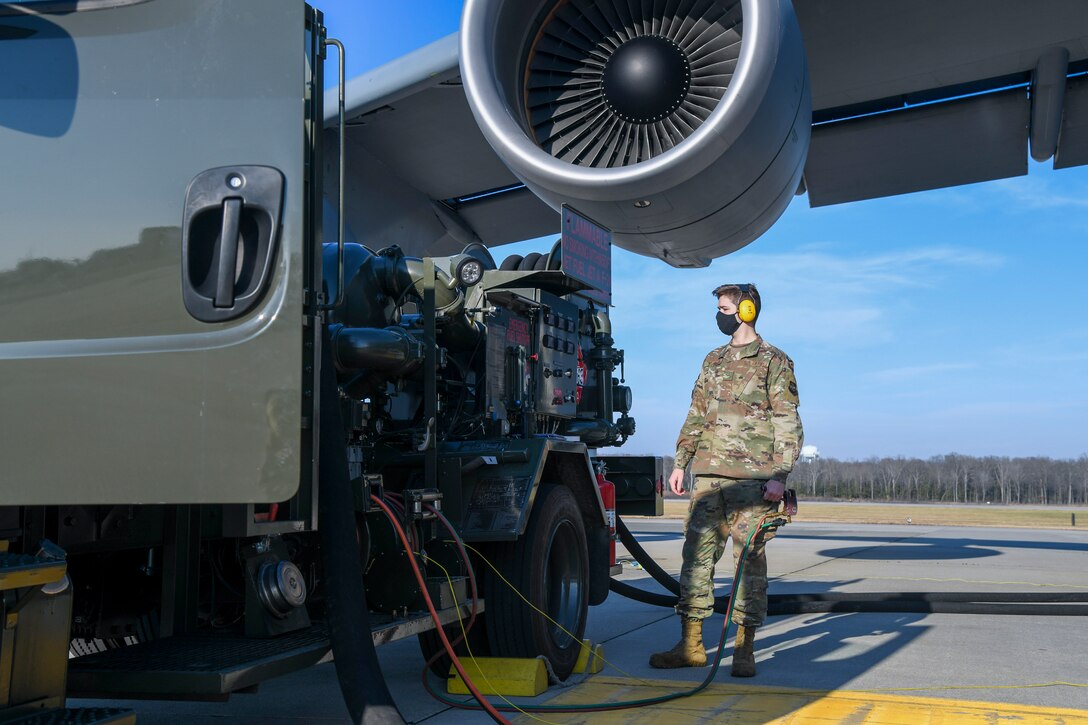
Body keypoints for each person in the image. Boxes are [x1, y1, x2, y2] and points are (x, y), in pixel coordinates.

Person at [649, 283, 802, 677]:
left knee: (748, 563)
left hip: (754, 482)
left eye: (723, 308)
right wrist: (681, 462)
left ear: (746, 311)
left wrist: (780, 476)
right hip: (708, 478)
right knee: (696, 560)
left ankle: (744, 648)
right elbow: (696, 412)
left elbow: (788, 421)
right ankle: (691, 645)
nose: (718, 315)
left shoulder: (773, 361)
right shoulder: (713, 360)